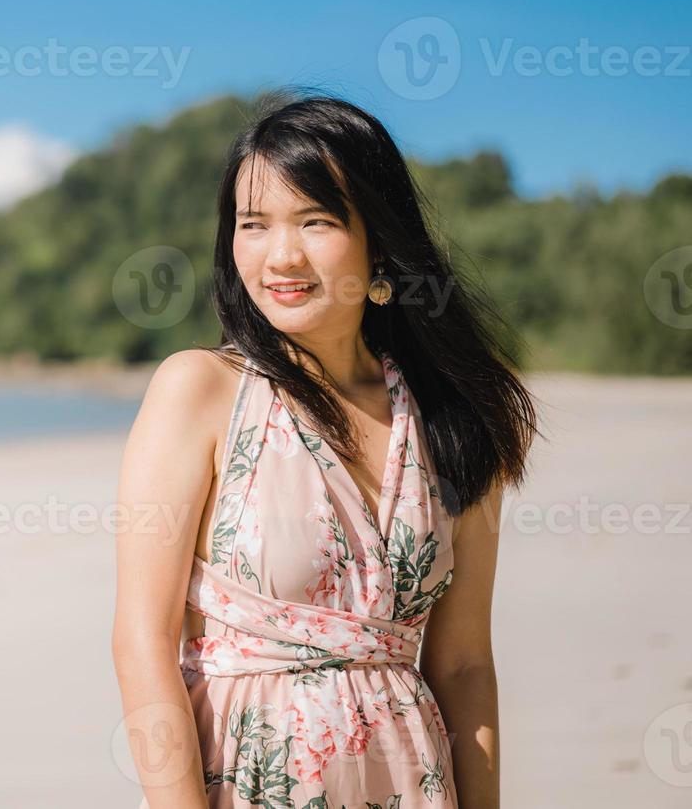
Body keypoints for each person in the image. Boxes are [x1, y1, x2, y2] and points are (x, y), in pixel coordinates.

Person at [112, 93, 539, 809]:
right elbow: (142, 641)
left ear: (381, 237)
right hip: (250, 783)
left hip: (412, 783)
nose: (281, 254)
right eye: (254, 225)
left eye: (316, 221)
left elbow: (464, 664)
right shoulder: (201, 392)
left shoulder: (456, 419)